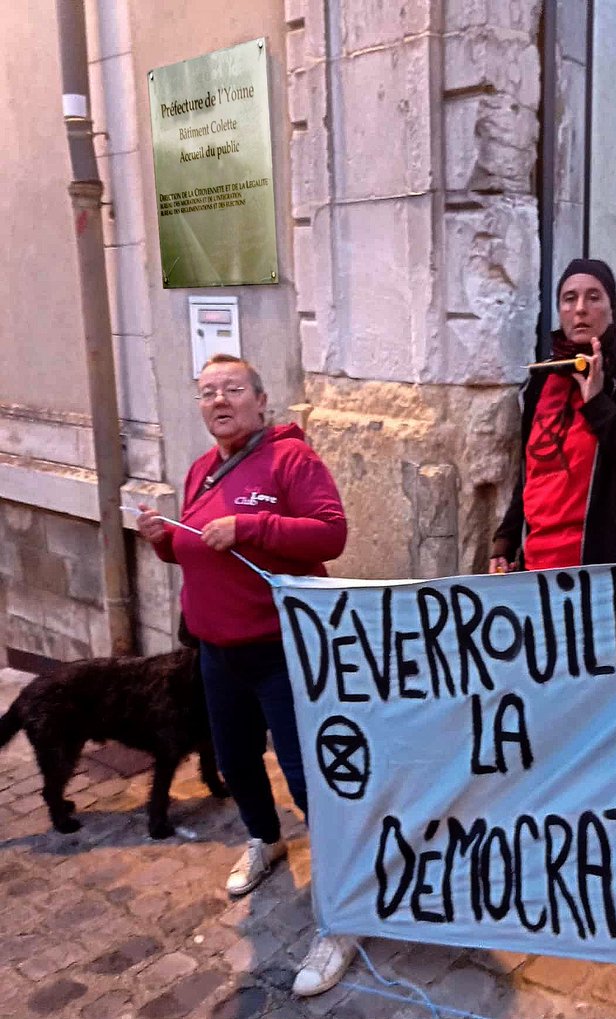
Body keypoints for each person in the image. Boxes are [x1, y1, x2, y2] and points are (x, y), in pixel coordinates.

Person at [135, 354, 358, 998]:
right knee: (233, 760)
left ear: (262, 401)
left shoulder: (292, 461)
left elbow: (330, 535)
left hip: (284, 650)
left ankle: (345, 911)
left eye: (233, 389)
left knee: (310, 777)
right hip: (217, 652)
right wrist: (158, 538)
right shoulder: (201, 470)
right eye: (208, 393)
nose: (220, 401)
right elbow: (191, 549)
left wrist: (252, 525)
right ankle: (265, 839)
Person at [490, 258, 616, 572]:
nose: (580, 309)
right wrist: (506, 539)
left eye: (593, 297)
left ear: (612, 309)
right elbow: (532, 472)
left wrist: (599, 405)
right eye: (569, 298)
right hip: (536, 568)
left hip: (600, 576)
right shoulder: (542, 379)